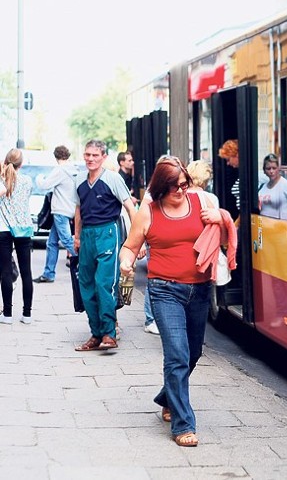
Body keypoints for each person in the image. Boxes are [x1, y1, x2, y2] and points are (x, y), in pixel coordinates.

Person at [119, 155, 226, 448]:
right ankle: (183, 423)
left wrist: (220, 218)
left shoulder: (200, 202)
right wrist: (125, 263)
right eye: (174, 186)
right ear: (161, 188)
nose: (181, 190)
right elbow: (130, 246)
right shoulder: (148, 212)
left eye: (184, 183)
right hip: (165, 290)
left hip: (199, 289)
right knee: (177, 354)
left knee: (193, 354)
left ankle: (167, 397)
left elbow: (224, 229)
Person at [73, 140, 139, 351]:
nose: (90, 159)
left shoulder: (112, 179)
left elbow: (130, 208)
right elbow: (78, 210)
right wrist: (76, 237)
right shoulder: (79, 180)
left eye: (95, 155)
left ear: (103, 157)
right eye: (87, 155)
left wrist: (136, 240)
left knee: (103, 283)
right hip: (87, 235)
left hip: (107, 232)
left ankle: (109, 334)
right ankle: (96, 334)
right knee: (86, 285)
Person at [33, 145, 79, 283]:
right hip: (70, 209)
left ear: (55, 156)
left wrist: (39, 177)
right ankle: (48, 273)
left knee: (66, 241)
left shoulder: (60, 170)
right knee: (52, 242)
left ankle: (87, 265)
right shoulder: (74, 170)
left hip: (60, 210)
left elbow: (44, 185)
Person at [0, 149, 34, 324]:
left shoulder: (1, 179)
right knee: (26, 272)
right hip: (23, 228)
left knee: (5, 272)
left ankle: (7, 315)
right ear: (21, 164)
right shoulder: (27, 181)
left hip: (3, 229)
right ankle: (27, 314)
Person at [258, 153, 287, 220]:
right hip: (264, 226)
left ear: (278, 169)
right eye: (268, 168)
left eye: (274, 168)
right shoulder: (262, 187)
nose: (271, 171)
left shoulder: (286, 185)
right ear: (264, 170)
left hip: (281, 226)